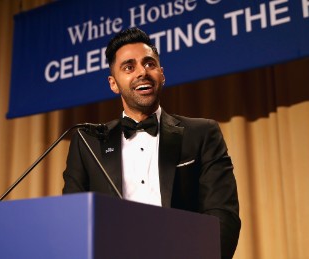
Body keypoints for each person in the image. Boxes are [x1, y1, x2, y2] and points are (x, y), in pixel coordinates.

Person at [63, 27, 241, 258]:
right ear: (113, 83)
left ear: (162, 74)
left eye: (149, 64)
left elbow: (223, 214)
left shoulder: (202, 133)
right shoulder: (87, 142)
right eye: (129, 67)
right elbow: (72, 221)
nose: (142, 72)